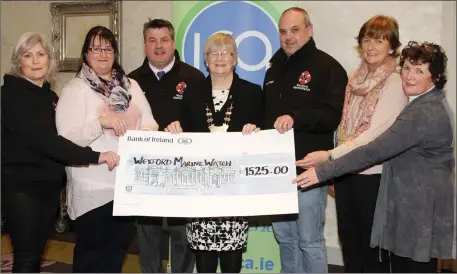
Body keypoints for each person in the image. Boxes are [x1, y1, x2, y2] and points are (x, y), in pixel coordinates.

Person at [295, 41, 455, 273]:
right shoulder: (429, 102)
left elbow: (374, 150)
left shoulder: (423, 113)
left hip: (417, 213)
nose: (409, 76)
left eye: (420, 71)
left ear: (435, 78)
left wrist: (322, 171)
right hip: (418, 209)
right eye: (407, 68)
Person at [0, 32, 119, 273]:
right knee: (26, 257)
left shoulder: (50, 97)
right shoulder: (10, 95)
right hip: (22, 189)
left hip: (48, 188)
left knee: (35, 254)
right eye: (28, 55)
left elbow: (63, 138)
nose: (35, 61)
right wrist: (96, 156)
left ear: (49, 60)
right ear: (18, 62)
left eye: (41, 54)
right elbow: (48, 142)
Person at [297, 15, 407, 272]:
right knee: (350, 245)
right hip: (347, 172)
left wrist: (331, 156)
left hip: (373, 176)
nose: (371, 46)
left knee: (372, 250)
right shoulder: (354, 78)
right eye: (367, 39)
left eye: (379, 40)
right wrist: (337, 164)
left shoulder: (394, 82)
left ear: (391, 46)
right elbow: (343, 126)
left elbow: (374, 136)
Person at [55, 26, 159, 273]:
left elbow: (150, 122)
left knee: (116, 256)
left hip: (126, 187)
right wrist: (100, 123)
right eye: (96, 48)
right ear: (86, 54)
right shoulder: (74, 90)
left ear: (115, 52)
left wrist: (144, 135)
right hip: (92, 190)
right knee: (91, 259)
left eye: (108, 48)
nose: (103, 54)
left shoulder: (130, 85)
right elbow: (66, 141)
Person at [165, 33, 263, 273]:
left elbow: (265, 131)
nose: (220, 58)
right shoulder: (192, 91)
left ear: (235, 58)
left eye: (226, 53)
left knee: (232, 256)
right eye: (213, 53)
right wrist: (174, 128)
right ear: (206, 60)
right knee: (204, 256)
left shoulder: (252, 92)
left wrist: (257, 130)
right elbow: (183, 129)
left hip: (235, 188)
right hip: (201, 188)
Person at [262, 7, 348, 273]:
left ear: (309, 30)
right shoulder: (273, 68)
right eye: (284, 31)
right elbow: (267, 115)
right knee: (285, 239)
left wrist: (296, 116)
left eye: (295, 30)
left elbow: (334, 116)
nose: (289, 37)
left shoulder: (328, 67)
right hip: (276, 171)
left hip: (308, 169)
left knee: (309, 240)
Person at [128, 18, 205, 273]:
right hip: (145, 172)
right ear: (145, 44)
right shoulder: (130, 82)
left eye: (164, 40)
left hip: (183, 171)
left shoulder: (193, 78)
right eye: (152, 40)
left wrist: (184, 133)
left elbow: (204, 127)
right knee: (147, 234)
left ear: (173, 43)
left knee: (182, 234)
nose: (158, 46)